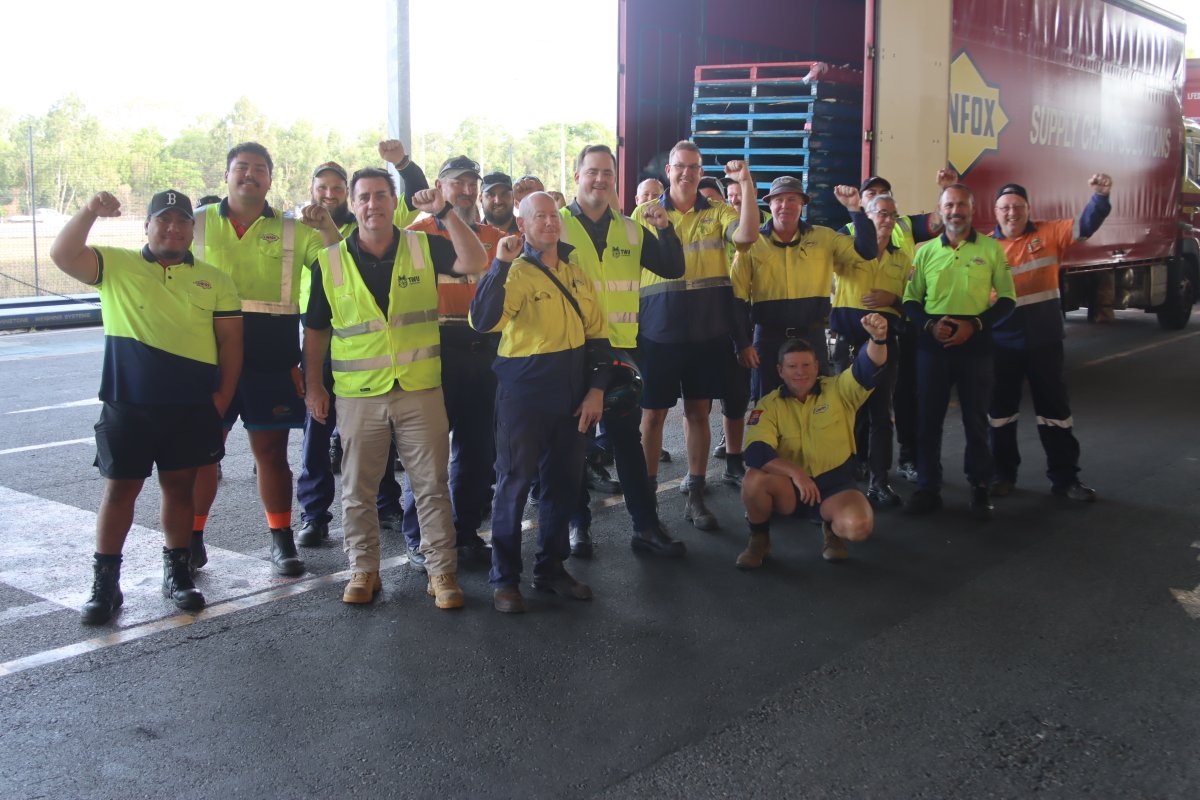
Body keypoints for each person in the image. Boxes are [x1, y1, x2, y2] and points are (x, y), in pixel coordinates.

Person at [50, 190, 242, 623]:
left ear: (193, 230)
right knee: (120, 491)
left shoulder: (216, 280)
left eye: (181, 221)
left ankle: (177, 573)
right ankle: (106, 584)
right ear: (148, 225)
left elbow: (231, 344)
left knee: (179, 490)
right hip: (127, 405)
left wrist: (221, 401)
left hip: (190, 407)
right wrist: (89, 212)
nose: (172, 228)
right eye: (163, 220)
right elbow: (63, 254)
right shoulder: (114, 265)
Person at [303, 168, 486, 606]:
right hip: (357, 395)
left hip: (420, 390)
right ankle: (363, 571)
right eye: (364, 197)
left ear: (392, 201)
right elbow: (315, 332)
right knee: (358, 490)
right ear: (352, 200)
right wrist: (313, 386)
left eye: (381, 196)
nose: (373, 205)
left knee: (430, 486)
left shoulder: (422, 246)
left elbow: (476, 261)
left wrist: (444, 212)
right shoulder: (328, 262)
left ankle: (442, 573)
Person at [190, 142, 339, 577]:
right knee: (202, 454)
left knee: (271, 453)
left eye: (259, 169)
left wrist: (328, 225)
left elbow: (338, 266)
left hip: (271, 360)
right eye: (241, 168)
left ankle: (281, 541)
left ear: (271, 179)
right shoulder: (195, 224)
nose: (250, 175)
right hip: (207, 358)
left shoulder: (296, 230)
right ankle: (192, 541)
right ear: (226, 175)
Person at [469, 192, 609, 613]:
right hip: (524, 397)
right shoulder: (513, 272)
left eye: (553, 215)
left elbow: (599, 338)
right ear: (523, 224)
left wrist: (597, 389)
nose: (549, 222)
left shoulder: (577, 275)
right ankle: (504, 580)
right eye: (539, 217)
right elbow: (483, 320)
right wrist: (498, 265)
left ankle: (550, 569)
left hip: (572, 399)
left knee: (563, 487)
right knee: (512, 486)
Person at [559, 144, 687, 558]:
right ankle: (579, 526)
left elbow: (672, 267)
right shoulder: (555, 226)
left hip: (620, 351)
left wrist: (665, 227)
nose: (600, 180)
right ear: (577, 176)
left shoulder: (632, 230)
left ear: (616, 180)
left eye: (607, 173)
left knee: (626, 443)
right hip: (569, 351)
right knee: (573, 444)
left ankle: (646, 528)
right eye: (592, 172)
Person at [295, 152, 427, 548]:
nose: (330, 194)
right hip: (330, 348)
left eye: (337, 188)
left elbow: (346, 263)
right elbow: (325, 298)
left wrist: (402, 161)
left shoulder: (368, 225)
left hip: (374, 357)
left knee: (379, 435)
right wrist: (312, 381)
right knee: (317, 433)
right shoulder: (301, 228)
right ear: (312, 192)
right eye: (324, 189)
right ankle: (314, 513)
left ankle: (387, 503)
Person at [632, 141, 760, 532]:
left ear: (700, 170)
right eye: (679, 166)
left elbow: (748, 235)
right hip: (657, 332)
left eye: (693, 166)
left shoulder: (719, 211)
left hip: (705, 333)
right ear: (668, 171)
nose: (686, 172)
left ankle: (695, 493)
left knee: (698, 413)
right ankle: (647, 500)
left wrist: (747, 183)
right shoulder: (645, 213)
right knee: (652, 416)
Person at [402, 156, 507, 570]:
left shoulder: (495, 236)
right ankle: (419, 536)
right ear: (440, 188)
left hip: (485, 347)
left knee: (477, 450)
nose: (465, 190)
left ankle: (464, 533)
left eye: (471, 184)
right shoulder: (415, 235)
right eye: (457, 183)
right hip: (436, 346)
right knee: (426, 451)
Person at [988, 176, 1112, 501]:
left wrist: (1100, 197)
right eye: (1005, 208)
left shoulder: (1049, 233)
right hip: (1002, 346)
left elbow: (1085, 226)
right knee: (1001, 414)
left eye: (1017, 207)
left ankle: (1065, 480)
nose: (1011, 213)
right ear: (995, 212)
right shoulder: (984, 248)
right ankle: (1002, 475)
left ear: (1028, 210)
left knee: (1054, 413)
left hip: (1044, 342)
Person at [736, 314, 891, 569]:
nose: (800, 372)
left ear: (817, 367)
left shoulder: (839, 390)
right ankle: (759, 539)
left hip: (835, 486)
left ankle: (832, 531)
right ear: (780, 371)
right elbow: (755, 452)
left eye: (806, 365)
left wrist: (878, 338)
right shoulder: (767, 406)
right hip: (790, 490)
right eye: (793, 366)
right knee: (753, 479)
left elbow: (867, 368)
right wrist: (796, 474)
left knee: (859, 527)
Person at [902, 184, 1017, 518]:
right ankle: (928, 488)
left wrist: (975, 326)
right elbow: (911, 300)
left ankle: (980, 488)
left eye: (962, 205)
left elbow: (1008, 299)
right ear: (940, 210)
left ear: (972, 208)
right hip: (931, 345)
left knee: (975, 420)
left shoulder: (992, 250)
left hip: (976, 345)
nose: (955, 211)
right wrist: (929, 327)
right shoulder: (924, 252)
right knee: (928, 420)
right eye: (949, 205)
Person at [731, 176, 876, 397]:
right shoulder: (752, 244)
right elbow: (737, 298)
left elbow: (867, 251)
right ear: (769, 204)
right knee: (768, 406)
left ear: (803, 203)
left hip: (812, 336)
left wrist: (855, 208)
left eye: (792, 199)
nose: (784, 205)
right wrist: (742, 344)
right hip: (768, 340)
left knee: (817, 407)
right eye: (778, 199)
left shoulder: (825, 238)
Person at [852, 172, 955, 484]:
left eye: (885, 194)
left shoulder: (905, 225)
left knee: (905, 396)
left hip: (902, 323)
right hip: (859, 329)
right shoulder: (847, 231)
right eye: (872, 194)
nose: (879, 198)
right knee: (857, 399)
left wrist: (947, 188)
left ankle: (908, 457)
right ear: (862, 202)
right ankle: (859, 460)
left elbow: (940, 221)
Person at [829, 192, 909, 507]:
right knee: (846, 412)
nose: (886, 219)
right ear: (868, 216)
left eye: (891, 214)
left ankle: (879, 481)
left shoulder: (903, 257)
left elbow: (913, 302)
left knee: (880, 413)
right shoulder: (848, 251)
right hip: (848, 343)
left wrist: (893, 300)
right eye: (880, 213)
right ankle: (844, 475)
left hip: (884, 343)